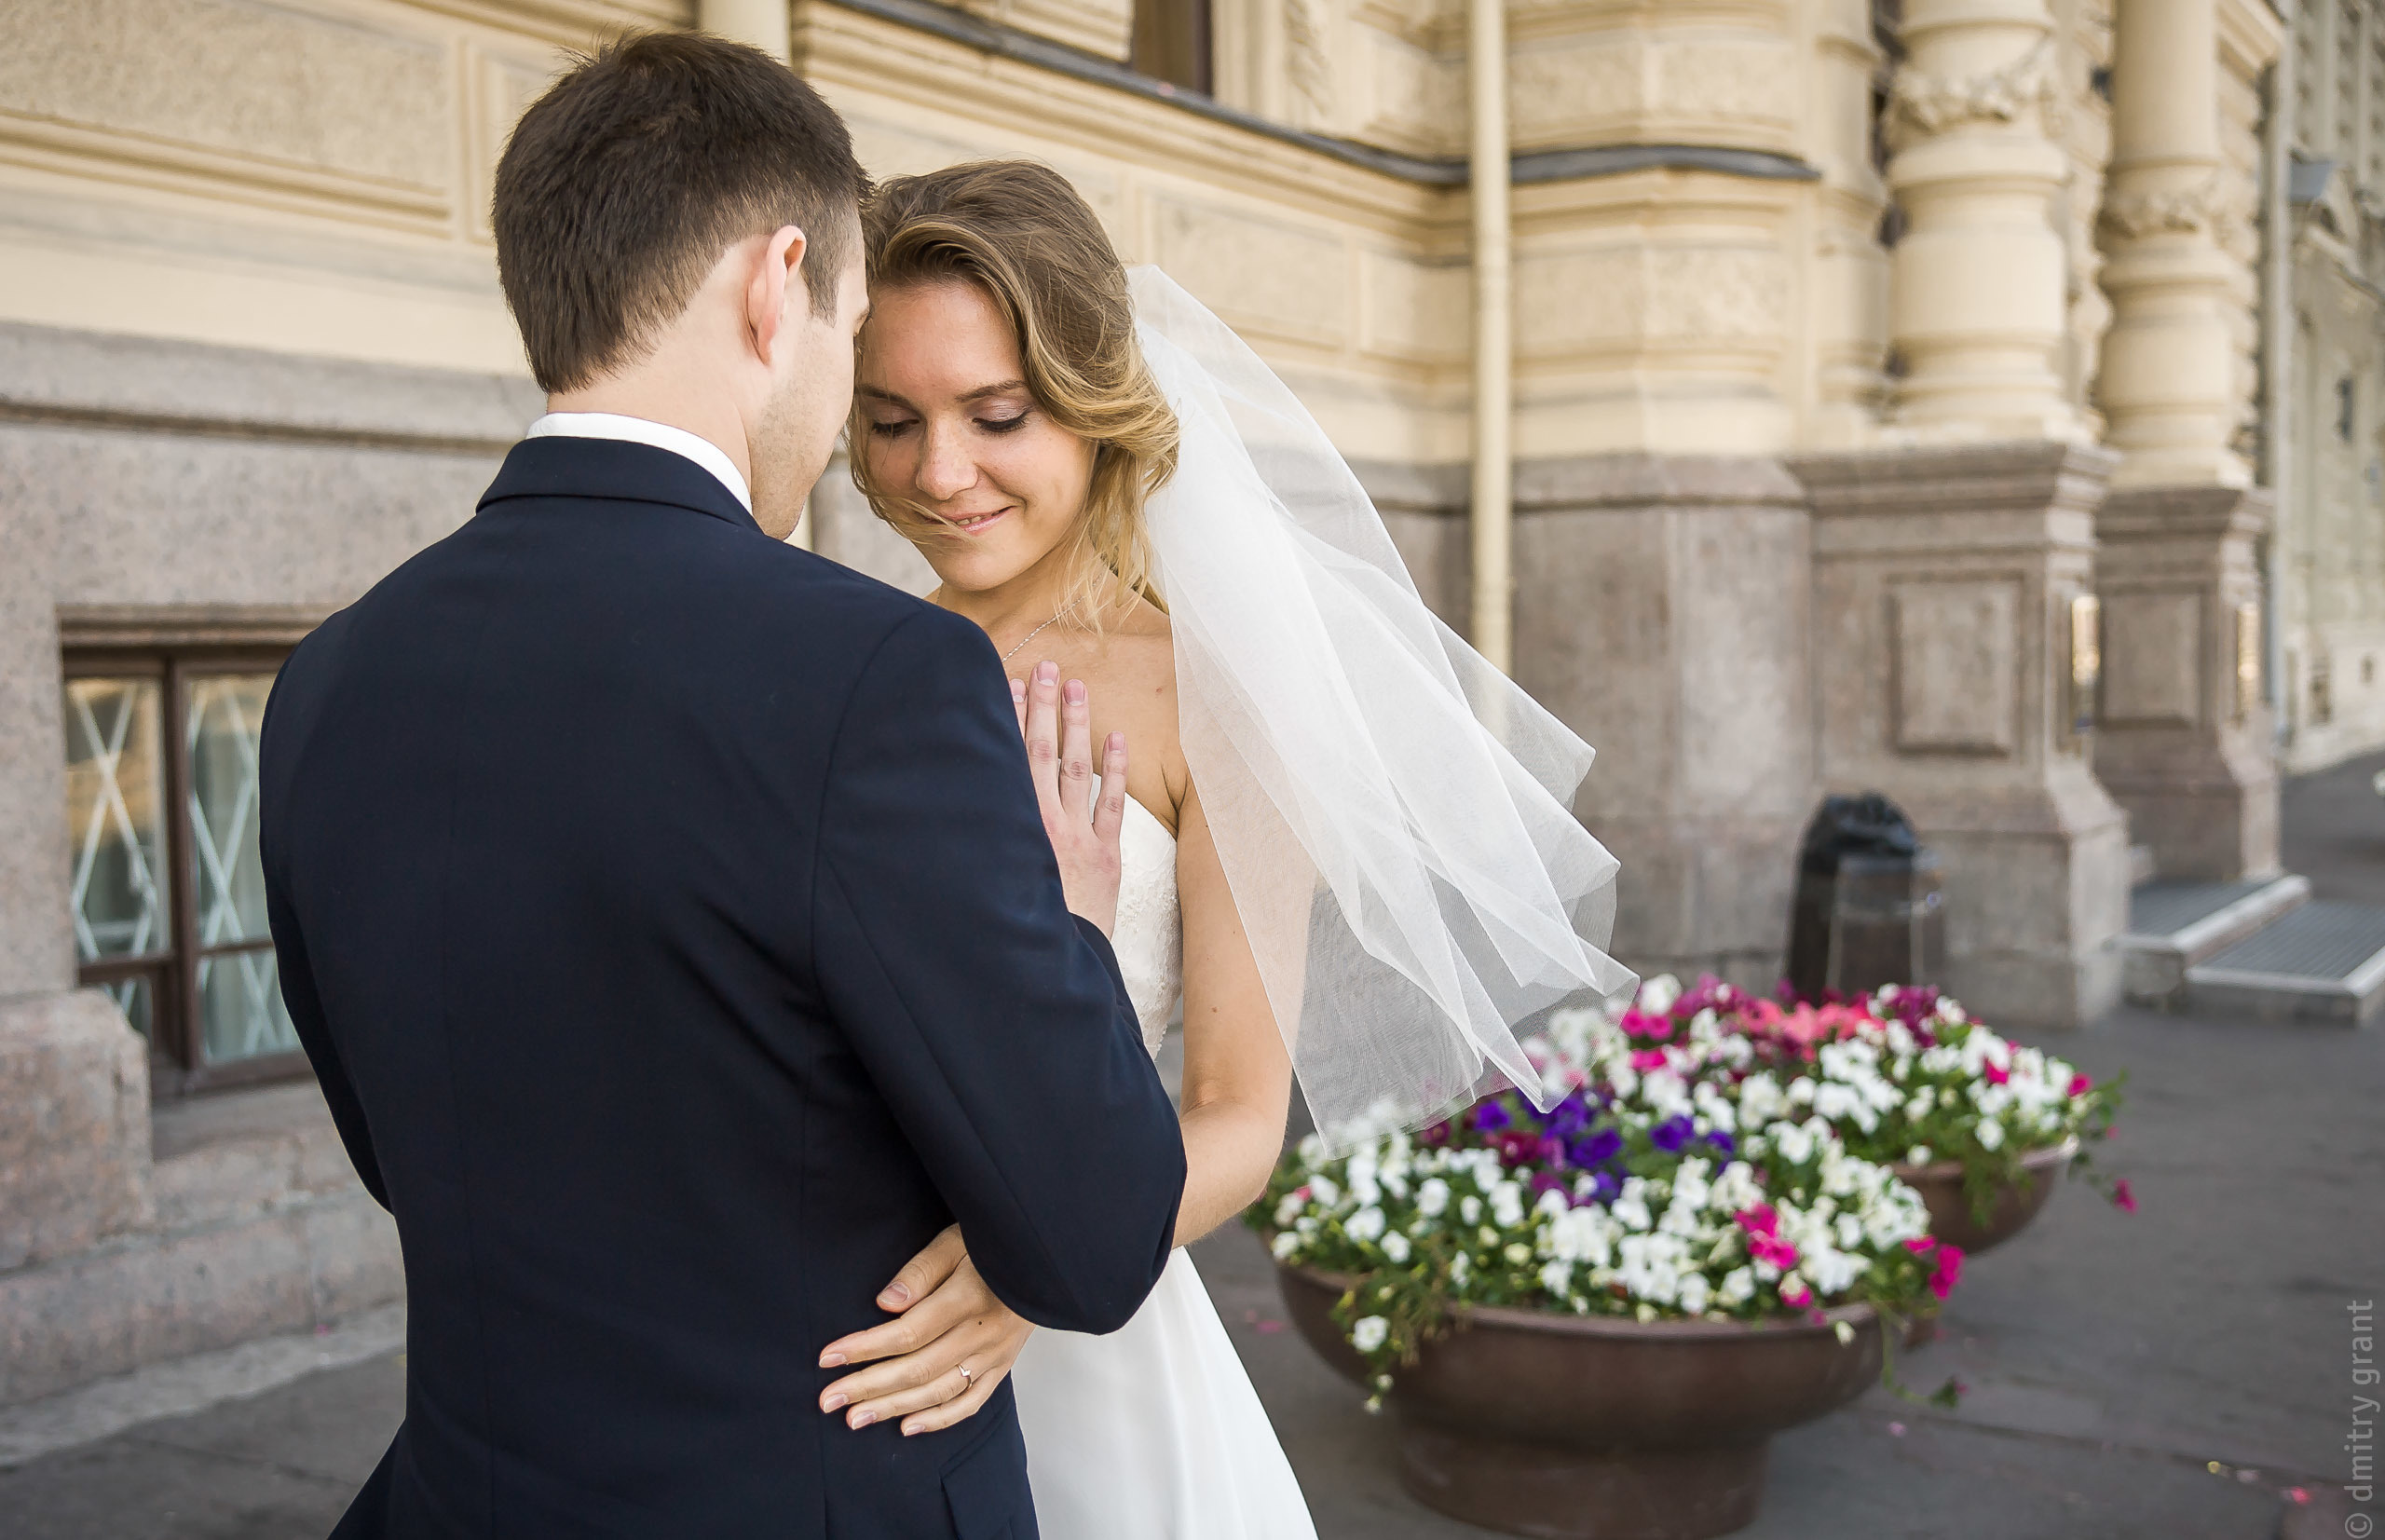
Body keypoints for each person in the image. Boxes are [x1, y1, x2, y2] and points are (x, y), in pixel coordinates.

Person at [256, 38, 1182, 1539]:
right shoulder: (882, 677)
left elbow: (403, 1151)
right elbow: (1091, 1239)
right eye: (856, 341)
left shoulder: (327, 681)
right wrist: (1072, 928)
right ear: (778, 284)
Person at [811, 160, 1636, 1540]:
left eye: (997, 416)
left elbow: (1238, 1119)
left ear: (1093, 403)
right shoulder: (841, 661)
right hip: (840, 1317)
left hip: (1076, 1324)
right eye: (890, 421)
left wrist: (1032, 1269)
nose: (938, 473)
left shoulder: (1212, 702)